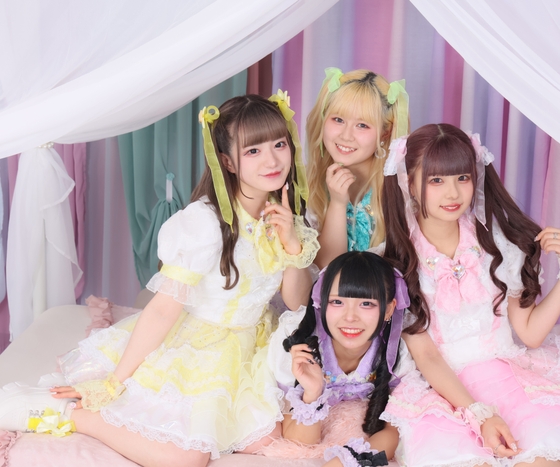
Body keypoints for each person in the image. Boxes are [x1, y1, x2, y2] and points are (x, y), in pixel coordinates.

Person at [0, 93, 320, 467]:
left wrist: (292, 246)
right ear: (228, 161)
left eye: (279, 144)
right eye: (254, 150)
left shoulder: (289, 214)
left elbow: (297, 302)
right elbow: (162, 310)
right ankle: (72, 415)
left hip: (251, 345)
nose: (272, 160)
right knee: (187, 458)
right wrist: (114, 382)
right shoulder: (204, 223)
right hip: (198, 341)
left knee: (260, 435)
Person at [379, 124, 560, 467]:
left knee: (542, 459)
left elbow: (529, 334)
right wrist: (480, 414)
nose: (453, 193)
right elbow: (427, 356)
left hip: (505, 376)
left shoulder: (498, 244)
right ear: (409, 182)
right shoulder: (396, 262)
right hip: (441, 389)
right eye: (436, 180)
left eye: (462, 178)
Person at [260, 251, 417, 466]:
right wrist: (312, 393)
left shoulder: (397, 350)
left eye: (366, 304)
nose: (350, 317)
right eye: (337, 302)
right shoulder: (297, 340)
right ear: (321, 302)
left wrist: (343, 463)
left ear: (389, 309)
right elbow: (298, 445)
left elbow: (393, 432)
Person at [305, 68, 409, 267]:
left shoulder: (402, 188)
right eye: (338, 120)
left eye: (362, 125)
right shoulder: (307, 184)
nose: (346, 136)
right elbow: (326, 268)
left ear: (385, 133)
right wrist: (337, 204)